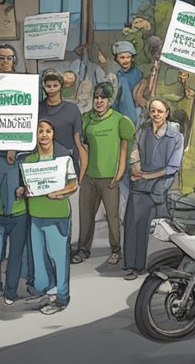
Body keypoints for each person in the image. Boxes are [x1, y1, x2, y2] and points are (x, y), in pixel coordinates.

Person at [73, 83, 134, 266]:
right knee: (86, 216)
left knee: (112, 217)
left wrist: (120, 171)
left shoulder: (119, 120)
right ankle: (83, 250)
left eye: (103, 98)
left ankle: (116, 250)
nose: (99, 101)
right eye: (96, 98)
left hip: (109, 178)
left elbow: (125, 147)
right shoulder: (87, 119)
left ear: (109, 100)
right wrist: (81, 173)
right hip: (89, 178)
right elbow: (81, 146)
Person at [122, 98, 184, 280]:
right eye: (152, 111)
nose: (156, 114)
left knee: (163, 230)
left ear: (166, 113)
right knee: (134, 225)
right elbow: (134, 152)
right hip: (140, 185)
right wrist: (135, 168)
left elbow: (173, 166)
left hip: (161, 186)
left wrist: (147, 175)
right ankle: (134, 266)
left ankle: (162, 267)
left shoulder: (176, 136)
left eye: (159, 111)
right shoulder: (143, 130)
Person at [23, 120, 79, 315]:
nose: (44, 135)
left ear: (53, 134)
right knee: (40, 260)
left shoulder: (64, 158)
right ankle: (48, 292)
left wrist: (59, 193)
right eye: (40, 131)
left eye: (48, 131)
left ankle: (62, 298)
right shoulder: (29, 160)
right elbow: (26, 186)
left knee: (58, 258)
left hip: (57, 215)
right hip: (36, 215)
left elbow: (73, 184)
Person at [0, 146, 29, 305]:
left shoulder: (26, 155)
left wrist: (24, 187)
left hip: (19, 214)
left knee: (15, 255)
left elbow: (32, 179)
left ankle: (11, 291)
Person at [39, 70, 83, 171]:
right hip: (43, 162)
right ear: (44, 87)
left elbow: (78, 142)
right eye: (48, 86)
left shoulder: (72, 109)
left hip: (67, 161)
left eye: (55, 85)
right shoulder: (37, 109)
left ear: (61, 86)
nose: (52, 89)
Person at [103, 41, 144, 127]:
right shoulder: (115, 75)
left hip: (137, 111)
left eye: (128, 57)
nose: (125, 60)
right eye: (122, 57)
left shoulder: (137, 73)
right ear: (116, 58)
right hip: (119, 112)